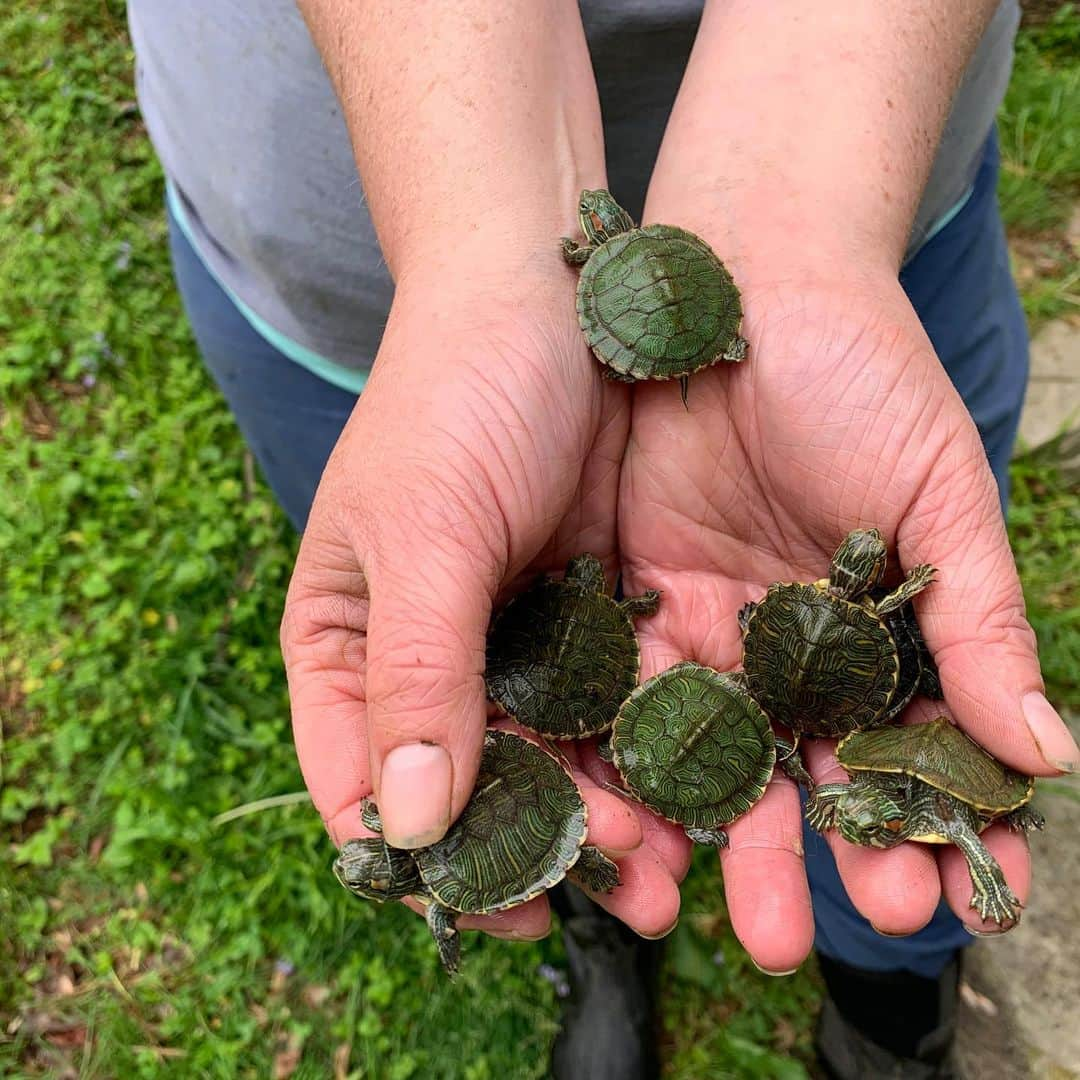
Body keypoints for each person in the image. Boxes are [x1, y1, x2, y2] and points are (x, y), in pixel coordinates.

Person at [128, 1, 1078, 1076]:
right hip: (350, 264)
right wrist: (476, 263)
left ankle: (892, 1007)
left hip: (879, 156)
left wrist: (803, 224)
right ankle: (606, 924)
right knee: (470, 651)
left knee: (884, 812)